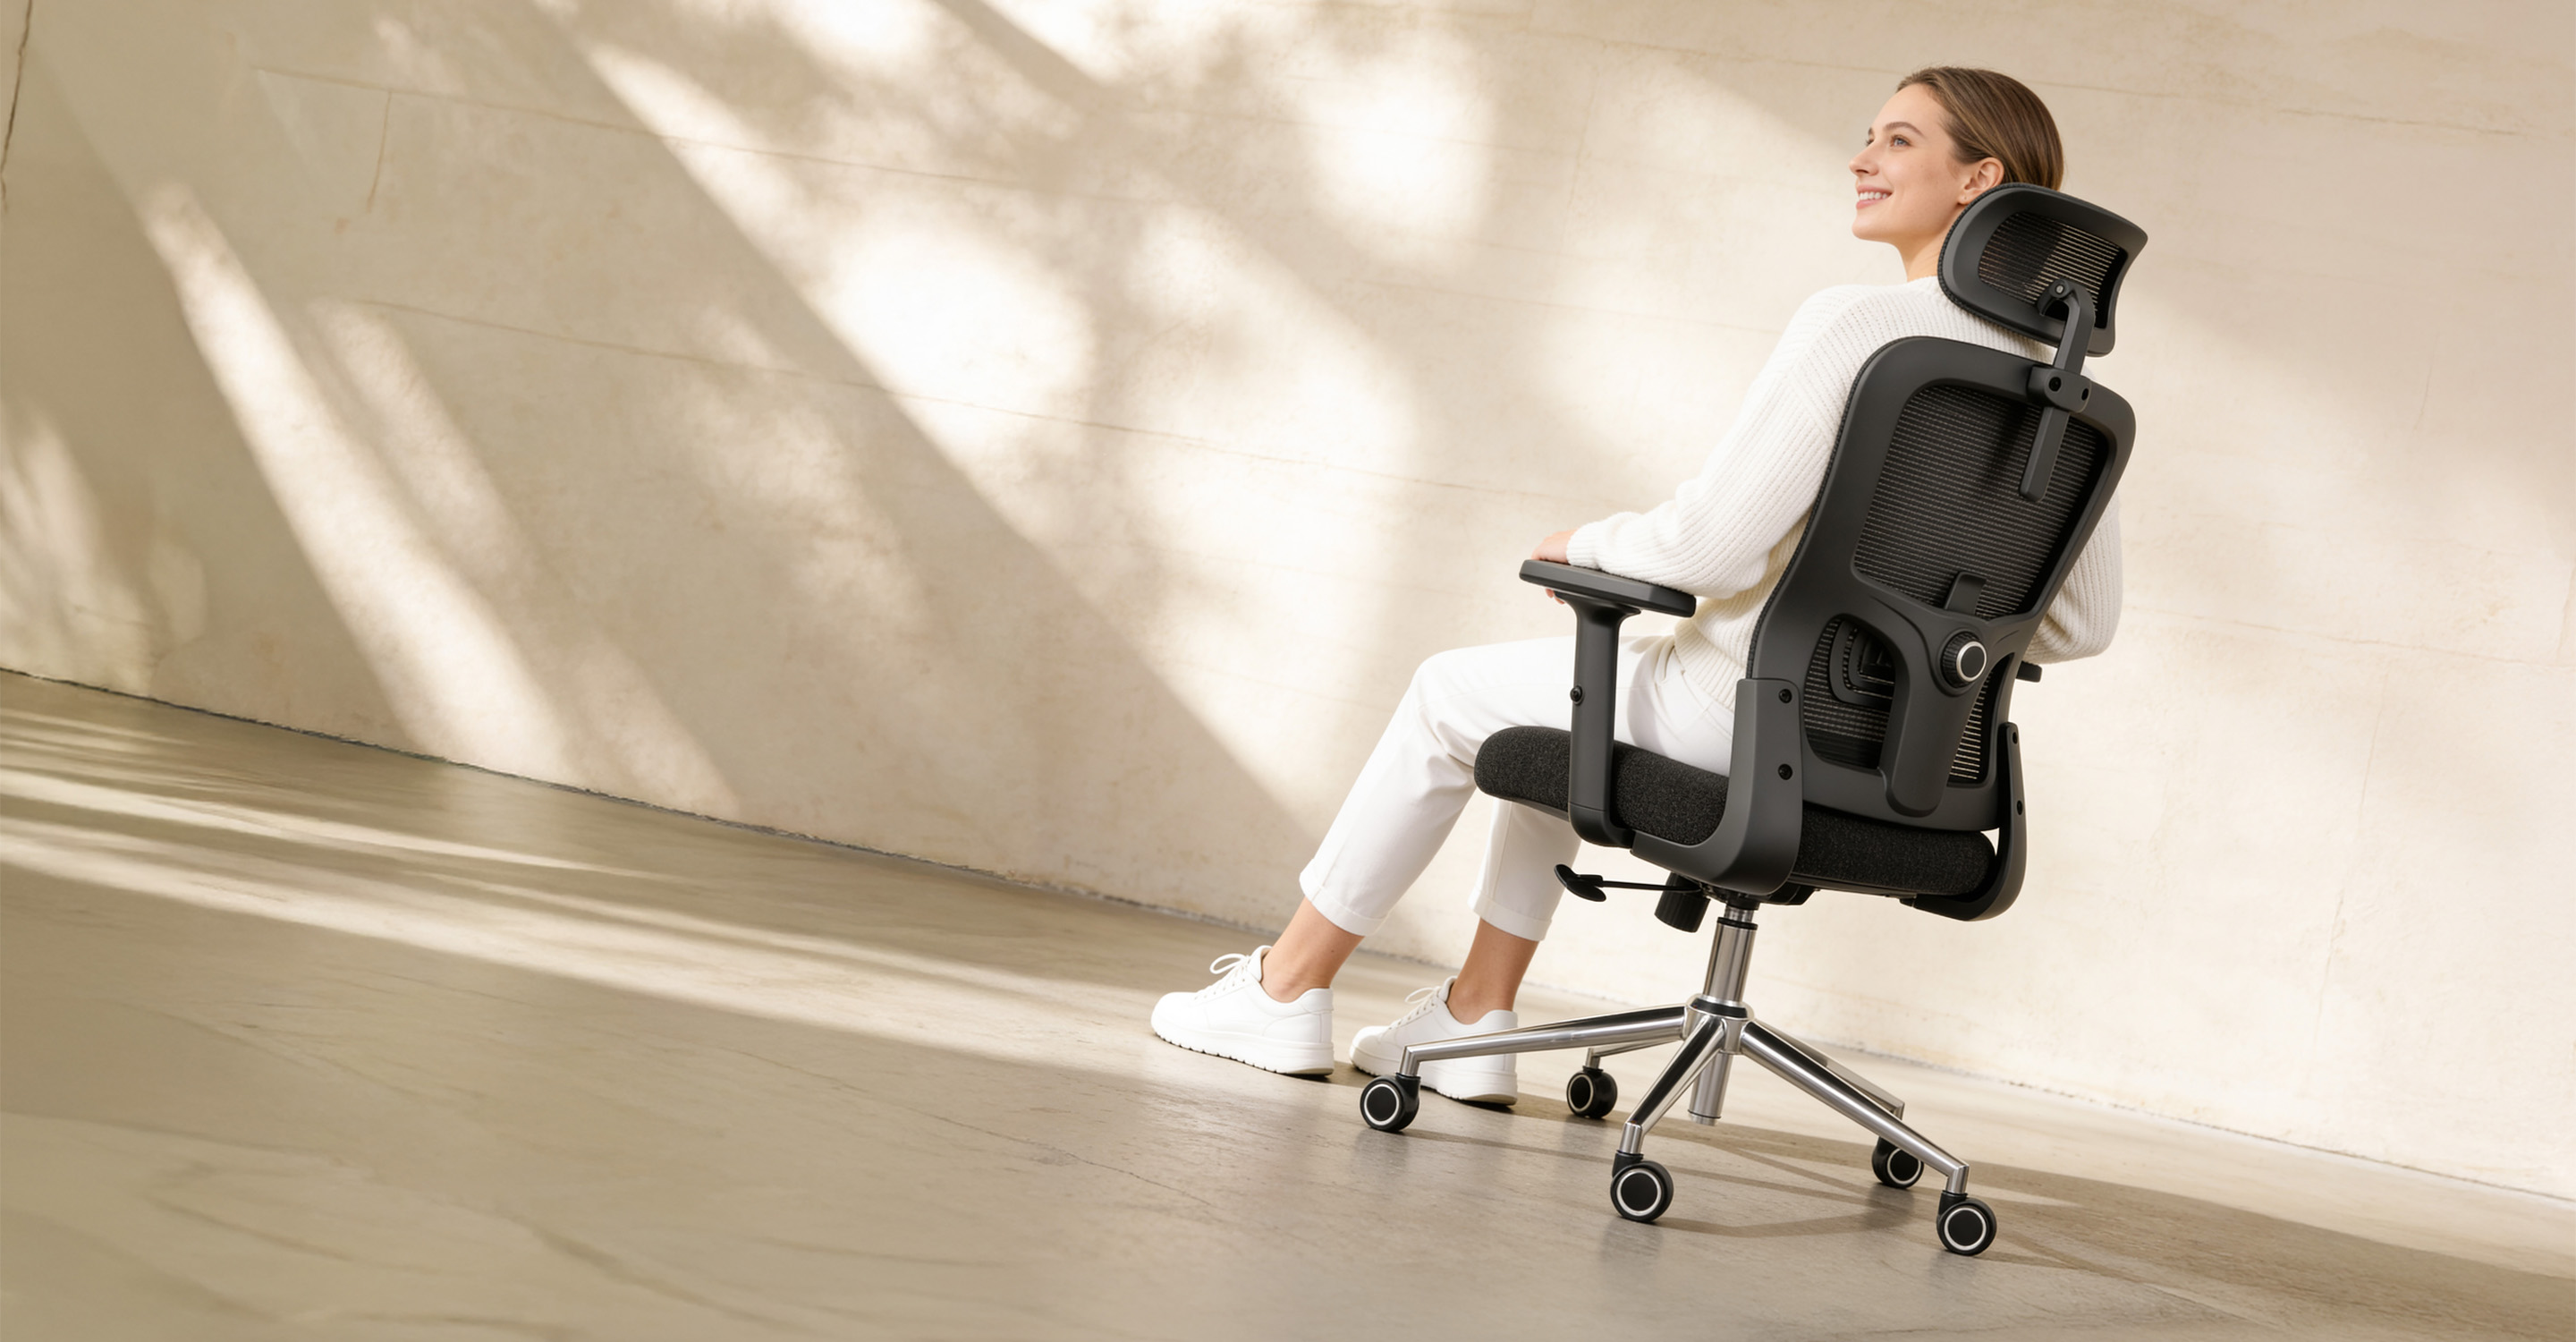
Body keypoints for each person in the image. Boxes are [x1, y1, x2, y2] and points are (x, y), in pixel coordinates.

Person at [1149, 67, 2123, 1103]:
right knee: (1574, 705)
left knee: (1447, 693)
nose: (1860, 159)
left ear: (1979, 179)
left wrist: (1597, 544)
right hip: (1911, 758)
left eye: (1895, 140)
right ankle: (1478, 1014)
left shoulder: (1861, 327)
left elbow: (1709, 551)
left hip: (1742, 716)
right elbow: (2082, 624)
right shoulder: (2075, 401)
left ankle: (1285, 989)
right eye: (1867, 137)